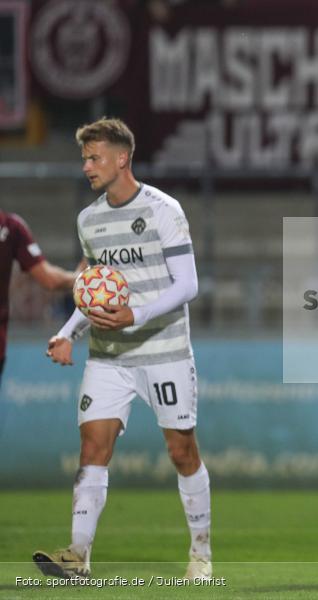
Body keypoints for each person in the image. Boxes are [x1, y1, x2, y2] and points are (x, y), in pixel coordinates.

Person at [31, 117, 212, 581]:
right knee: (92, 447)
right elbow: (90, 289)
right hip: (109, 356)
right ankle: (78, 554)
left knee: (181, 452)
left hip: (165, 351)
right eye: (84, 158)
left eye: (94, 158)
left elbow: (188, 284)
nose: (87, 166)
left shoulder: (162, 210)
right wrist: (67, 332)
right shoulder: (88, 219)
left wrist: (139, 314)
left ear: (121, 158)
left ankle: (201, 554)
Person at [0, 211, 77, 386]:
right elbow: (49, 279)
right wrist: (79, 278)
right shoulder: (9, 226)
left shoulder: (11, 227)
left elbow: (48, 280)